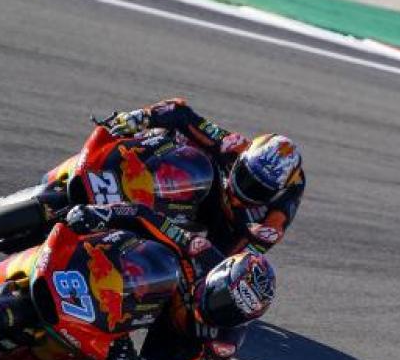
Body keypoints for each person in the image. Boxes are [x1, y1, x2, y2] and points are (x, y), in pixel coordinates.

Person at [63, 201, 277, 360]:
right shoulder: (200, 252)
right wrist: (106, 213)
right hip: (153, 291)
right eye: (223, 298)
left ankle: (80, 359)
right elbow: (145, 216)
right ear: (218, 276)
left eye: (232, 313)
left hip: (173, 337)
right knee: (139, 246)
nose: (220, 310)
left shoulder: (225, 343)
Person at [103, 98, 304, 256]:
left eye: (258, 189)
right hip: (211, 186)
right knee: (181, 141)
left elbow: (232, 261)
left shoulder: (272, 223)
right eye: (245, 176)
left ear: (277, 192)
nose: (243, 190)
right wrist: (142, 117)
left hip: (230, 223)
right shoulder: (233, 146)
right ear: (243, 157)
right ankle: (125, 167)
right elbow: (179, 111)